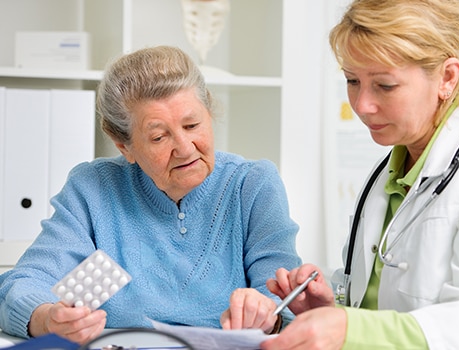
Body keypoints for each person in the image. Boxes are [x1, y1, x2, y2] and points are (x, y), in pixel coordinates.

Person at [220, 0, 459, 348]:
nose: (362, 105)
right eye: (352, 81)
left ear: (447, 78)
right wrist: (328, 311)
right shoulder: (386, 177)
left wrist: (348, 328)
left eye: (385, 86)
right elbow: (381, 311)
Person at [0, 45, 301, 344]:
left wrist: (268, 314)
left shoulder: (252, 184)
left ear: (209, 113)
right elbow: (21, 286)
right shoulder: (94, 189)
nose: (184, 148)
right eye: (159, 136)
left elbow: (285, 299)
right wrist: (47, 319)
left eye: (192, 124)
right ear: (124, 147)